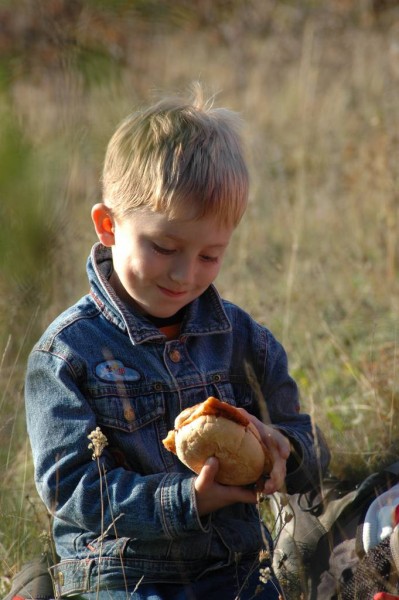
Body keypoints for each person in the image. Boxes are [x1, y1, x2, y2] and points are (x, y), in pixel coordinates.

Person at [24, 84, 330, 600]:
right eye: (164, 247)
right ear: (108, 226)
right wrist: (188, 499)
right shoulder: (66, 354)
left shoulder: (241, 339)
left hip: (234, 569)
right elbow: (71, 489)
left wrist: (285, 450)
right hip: (122, 576)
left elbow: (308, 442)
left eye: (210, 256)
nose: (186, 275)